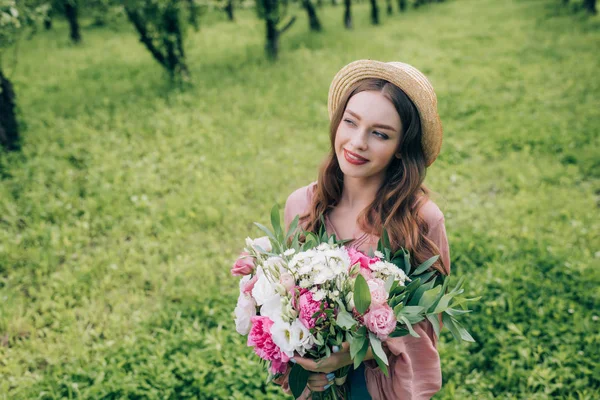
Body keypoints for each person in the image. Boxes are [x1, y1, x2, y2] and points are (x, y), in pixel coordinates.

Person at [274, 60, 451, 400]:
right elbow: (284, 304)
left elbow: (426, 324)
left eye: (380, 133)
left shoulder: (422, 221)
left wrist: (359, 350)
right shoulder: (302, 206)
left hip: (381, 386)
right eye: (350, 122)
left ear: (401, 146)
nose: (357, 142)